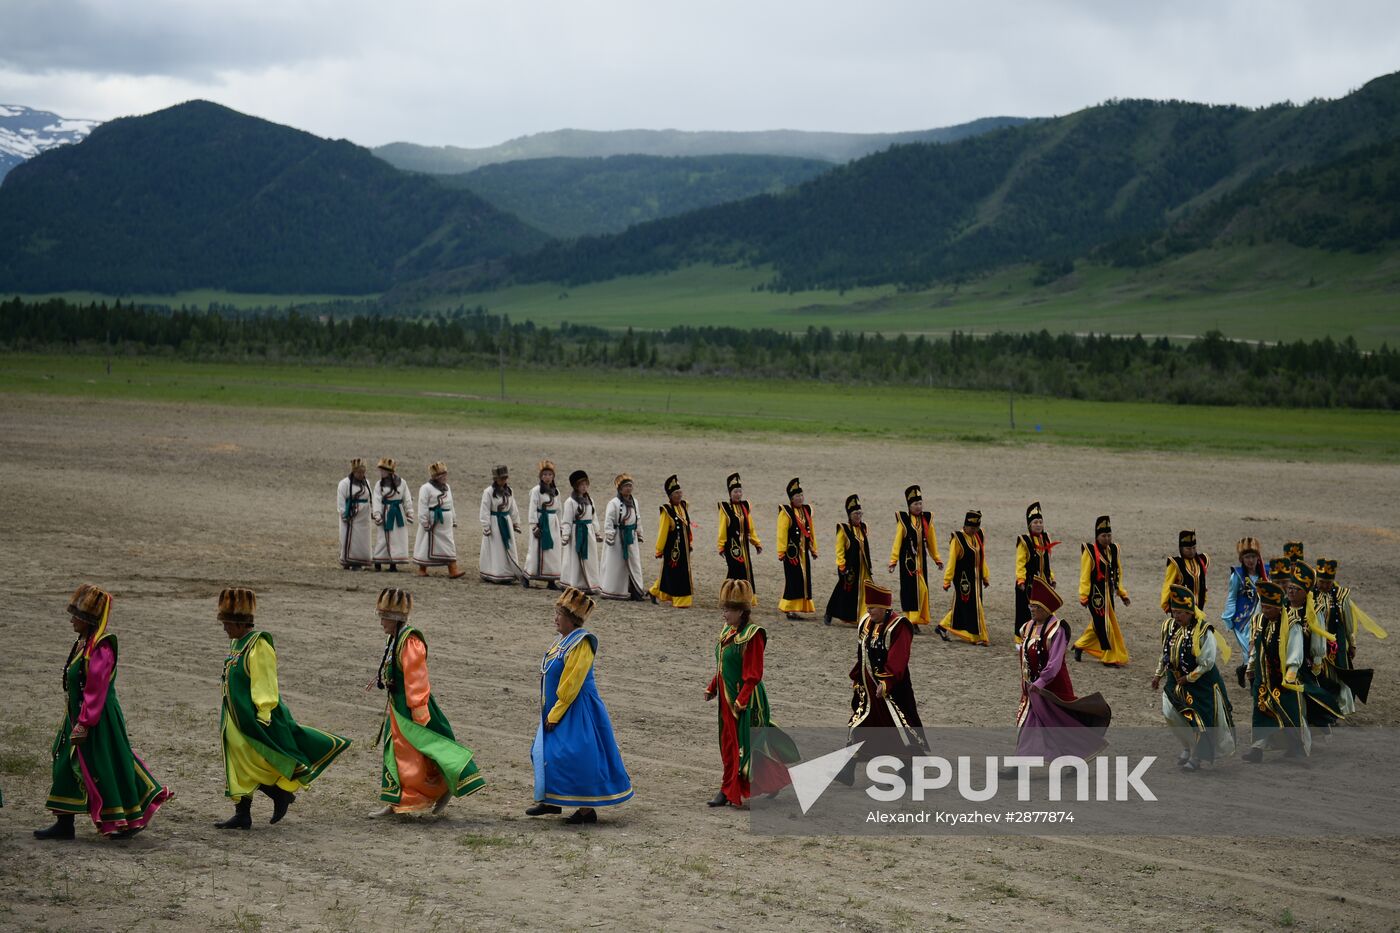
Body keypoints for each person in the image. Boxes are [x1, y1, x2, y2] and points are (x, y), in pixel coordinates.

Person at [35, 584, 173, 840]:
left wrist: (85, 723)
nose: (71, 620)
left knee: (108, 765)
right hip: (77, 716)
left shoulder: (101, 648)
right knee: (64, 760)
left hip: (98, 719)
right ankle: (64, 823)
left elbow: (96, 689)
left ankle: (127, 819)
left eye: (76, 615)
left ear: (87, 619)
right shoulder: (83, 643)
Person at [216, 587, 351, 829]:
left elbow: (265, 680)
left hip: (254, 717)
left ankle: (280, 793)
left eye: (226, 622)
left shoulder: (258, 644)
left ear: (237, 623)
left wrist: (264, 712)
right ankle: (243, 812)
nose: (223, 628)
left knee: (259, 759)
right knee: (238, 760)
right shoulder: (237, 643)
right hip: (235, 718)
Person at [370, 588, 485, 818]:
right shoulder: (394, 639)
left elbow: (417, 677)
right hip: (398, 707)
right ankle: (395, 800)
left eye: (384, 617)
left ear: (395, 618)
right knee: (396, 754)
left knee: (418, 753)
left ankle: (443, 787)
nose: (381, 621)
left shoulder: (410, 642)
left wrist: (418, 710)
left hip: (412, 708)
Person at [527, 587, 633, 825]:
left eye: (559, 615)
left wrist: (556, 712)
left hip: (578, 709)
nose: (555, 618)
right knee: (543, 751)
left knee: (578, 756)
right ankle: (551, 800)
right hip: (557, 707)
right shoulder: (561, 641)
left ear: (571, 619)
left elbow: (572, 682)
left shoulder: (582, 643)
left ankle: (587, 810)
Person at [704, 580, 797, 808]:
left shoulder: (753, 635)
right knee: (730, 744)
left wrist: (741, 700)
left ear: (741, 611)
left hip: (746, 701)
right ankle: (770, 781)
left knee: (743, 746)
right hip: (728, 699)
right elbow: (723, 665)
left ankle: (727, 790)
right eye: (723, 609)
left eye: (728, 610)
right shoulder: (728, 631)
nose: (724, 614)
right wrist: (713, 686)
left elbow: (753, 674)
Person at [1011, 577, 1111, 764]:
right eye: (1031, 605)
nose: (1032, 609)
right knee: (1029, 724)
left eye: (1036, 607)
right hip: (1032, 690)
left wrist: (1039, 684)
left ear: (1047, 609)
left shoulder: (1058, 630)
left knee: (1060, 727)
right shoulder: (1027, 627)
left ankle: (1075, 758)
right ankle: (1020, 763)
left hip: (1053, 689)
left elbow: (1055, 663)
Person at [836, 582, 927, 785]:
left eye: (873, 607)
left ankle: (906, 770)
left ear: (885, 607)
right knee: (860, 724)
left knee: (896, 730)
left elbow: (899, 657)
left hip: (892, 690)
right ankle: (848, 769)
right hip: (869, 690)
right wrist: (858, 679)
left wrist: (887, 681)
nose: (869, 611)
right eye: (868, 607)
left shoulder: (899, 626)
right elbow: (862, 655)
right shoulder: (865, 623)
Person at [1152, 585, 1236, 771]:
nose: (1176, 616)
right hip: (1175, 681)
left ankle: (1197, 757)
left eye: (1181, 612)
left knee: (1199, 721)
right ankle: (1187, 745)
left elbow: (1207, 662)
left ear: (1190, 612)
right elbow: (1165, 652)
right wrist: (1159, 674)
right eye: (1174, 612)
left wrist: (1189, 678)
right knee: (1171, 713)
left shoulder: (1204, 632)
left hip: (1201, 684)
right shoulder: (1169, 627)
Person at [1242, 581, 1310, 762]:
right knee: (1261, 712)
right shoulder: (1259, 621)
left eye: (1269, 608)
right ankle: (1257, 750)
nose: (1264, 611)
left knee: (1288, 714)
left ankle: (1296, 745)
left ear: (1278, 608)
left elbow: (1296, 651)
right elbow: (1257, 648)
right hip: (1263, 679)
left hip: (1285, 679)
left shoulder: (1292, 624)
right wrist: (1251, 666)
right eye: (1263, 607)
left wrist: (1290, 674)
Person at [1314, 557, 1385, 713]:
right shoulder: (1309, 595)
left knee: (1340, 674)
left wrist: (1351, 643)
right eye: (1321, 582)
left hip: (1337, 644)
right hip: (1317, 643)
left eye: (1328, 582)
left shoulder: (1341, 595)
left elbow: (1348, 622)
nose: (1325, 586)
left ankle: (1341, 706)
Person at [1285, 562, 1343, 733]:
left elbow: (1318, 639)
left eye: (1296, 589)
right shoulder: (1282, 606)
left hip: (1305, 664)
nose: (1291, 592)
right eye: (1290, 587)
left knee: (1309, 697)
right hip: (1280, 661)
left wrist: (1317, 661)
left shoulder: (1314, 611)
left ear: (1306, 593)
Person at [1073, 515, 1131, 665]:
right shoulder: (1090, 551)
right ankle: (1109, 657)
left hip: (1108, 592)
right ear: (1097, 536)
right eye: (1103, 536)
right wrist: (1083, 595)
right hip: (1095, 594)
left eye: (1109, 535)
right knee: (1105, 625)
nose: (1107, 538)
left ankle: (1080, 645)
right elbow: (1085, 575)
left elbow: (1118, 572)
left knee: (1099, 623)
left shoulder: (1114, 549)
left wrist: (1121, 592)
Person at [887, 484, 942, 631]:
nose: (918, 506)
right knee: (910, 589)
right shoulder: (904, 520)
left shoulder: (926, 519)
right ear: (909, 506)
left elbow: (932, 541)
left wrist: (937, 558)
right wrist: (893, 561)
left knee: (922, 588)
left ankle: (915, 619)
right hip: (907, 562)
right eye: (915, 504)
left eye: (920, 503)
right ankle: (912, 621)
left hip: (921, 560)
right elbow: (897, 541)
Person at [939, 510, 990, 645]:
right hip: (963, 580)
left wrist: (985, 576)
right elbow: (952, 561)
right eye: (972, 528)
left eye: (976, 528)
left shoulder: (978, 536)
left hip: (976, 579)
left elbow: (982, 558)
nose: (974, 531)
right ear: (965, 526)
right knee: (974, 606)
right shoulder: (958, 539)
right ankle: (977, 637)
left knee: (964, 605)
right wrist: (947, 580)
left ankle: (942, 627)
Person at [1222, 537, 1265, 683]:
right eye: (1247, 557)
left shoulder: (1266, 574)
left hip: (1262, 617)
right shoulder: (1237, 576)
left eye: (1253, 556)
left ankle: (1243, 669)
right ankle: (1254, 683)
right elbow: (1232, 597)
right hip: (1243, 620)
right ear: (1242, 559)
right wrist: (1228, 618)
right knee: (1249, 649)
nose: (1250, 560)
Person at [824, 494, 872, 626]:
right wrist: (841, 565)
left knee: (864, 590)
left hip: (863, 568)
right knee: (843, 589)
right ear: (850, 515)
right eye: (855, 513)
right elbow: (839, 549)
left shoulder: (863, 528)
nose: (858, 516)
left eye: (860, 513)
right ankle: (830, 611)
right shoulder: (844, 530)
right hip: (849, 568)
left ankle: (861, 616)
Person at [649, 474, 695, 608]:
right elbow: (662, 531)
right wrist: (659, 549)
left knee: (673, 572)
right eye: (676, 493)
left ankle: (654, 591)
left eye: (680, 492)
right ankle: (681, 600)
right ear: (670, 495)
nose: (679, 495)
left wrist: (689, 543)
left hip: (684, 547)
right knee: (674, 572)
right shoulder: (666, 511)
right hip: (673, 549)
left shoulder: (684, 506)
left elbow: (687, 527)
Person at [1013, 502, 1056, 643]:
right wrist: (1020, 579)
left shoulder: (1045, 539)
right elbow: (1020, 562)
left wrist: (1051, 577)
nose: (1038, 525)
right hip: (1027, 583)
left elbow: (1048, 562)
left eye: (1040, 522)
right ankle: (1020, 639)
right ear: (1030, 525)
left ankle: (1044, 636)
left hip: (1042, 583)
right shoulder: (1024, 541)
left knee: (1046, 610)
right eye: (1035, 522)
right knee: (1025, 612)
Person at [776, 477, 818, 619]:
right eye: (796, 496)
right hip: (791, 553)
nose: (800, 498)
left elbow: (810, 530)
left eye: (801, 495)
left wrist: (813, 548)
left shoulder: (806, 510)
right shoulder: (786, 512)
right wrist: (781, 551)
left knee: (803, 579)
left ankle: (799, 607)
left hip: (804, 553)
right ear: (791, 498)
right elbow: (781, 532)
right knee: (793, 579)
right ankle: (789, 609)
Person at [717, 472, 762, 605]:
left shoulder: (745, 506)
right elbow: (722, 528)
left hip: (744, 546)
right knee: (735, 570)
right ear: (730, 493)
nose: (738, 494)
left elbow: (751, 527)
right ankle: (728, 597)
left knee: (745, 570)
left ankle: (742, 598)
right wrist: (721, 545)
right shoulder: (725, 508)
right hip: (732, 546)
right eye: (735, 491)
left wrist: (756, 542)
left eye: (740, 491)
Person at [414, 461, 464, 578]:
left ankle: (453, 569)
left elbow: (450, 504)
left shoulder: (447, 487)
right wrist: (424, 521)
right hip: (432, 521)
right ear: (435, 476)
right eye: (442, 475)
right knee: (426, 543)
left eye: (445, 474)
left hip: (445, 522)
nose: (445, 477)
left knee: (449, 544)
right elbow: (422, 505)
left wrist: (454, 519)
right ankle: (422, 568)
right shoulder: (426, 488)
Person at [480, 464, 528, 586]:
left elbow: (513, 507)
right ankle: (495, 572)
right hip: (495, 523)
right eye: (501, 478)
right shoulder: (488, 492)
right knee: (496, 548)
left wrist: (515, 522)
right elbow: (484, 510)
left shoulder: (509, 491)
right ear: (495, 479)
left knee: (509, 547)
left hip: (506, 522)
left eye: (505, 478)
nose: (504, 480)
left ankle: (509, 572)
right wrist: (486, 526)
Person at [601, 474, 646, 600]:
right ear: (620, 488)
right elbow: (609, 520)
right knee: (617, 565)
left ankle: (635, 589)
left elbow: (637, 518)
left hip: (631, 538)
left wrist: (639, 532)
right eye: (626, 486)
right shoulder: (613, 503)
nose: (628, 488)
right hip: (617, 539)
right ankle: (615, 590)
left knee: (634, 563)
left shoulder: (634, 502)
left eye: (630, 486)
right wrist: (610, 535)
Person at [560, 470, 604, 595]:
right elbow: (567, 520)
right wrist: (565, 535)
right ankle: (576, 584)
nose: (584, 487)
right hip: (576, 533)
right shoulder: (570, 502)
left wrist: (597, 532)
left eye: (586, 484)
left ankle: (590, 583)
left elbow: (593, 517)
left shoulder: (590, 500)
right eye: (581, 485)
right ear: (576, 486)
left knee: (590, 558)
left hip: (588, 532)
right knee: (575, 558)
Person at [371, 457, 414, 572]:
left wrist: (409, 511)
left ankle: (393, 563)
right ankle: (378, 561)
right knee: (382, 538)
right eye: (381, 470)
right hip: (385, 513)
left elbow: (407, 498)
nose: (381, 472)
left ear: (389, 472)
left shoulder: (402, 483)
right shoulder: (379, 485)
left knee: (397, 538)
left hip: (398, 513)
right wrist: (377, 514)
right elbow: (376, 500)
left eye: (383, 470)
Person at [527, 460, 564, 589]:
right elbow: (532, 508)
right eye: (545, 475)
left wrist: (560, 526)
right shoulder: (536, 491)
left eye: (550, 474)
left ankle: (551, 579)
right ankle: (528, 575)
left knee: (552, 551)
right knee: (536, 550)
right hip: (541, 523)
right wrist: (534, 525)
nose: (547, 477)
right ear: (540, 476)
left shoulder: (556, 491)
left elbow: (559, 510)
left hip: (553, 523)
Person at [1160, 530, 1208, 614]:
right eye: (1188, 549)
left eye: (1194, 548)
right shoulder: (1176, 564)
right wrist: (1165, 604)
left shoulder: (1201, 561)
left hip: (1199, 607)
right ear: (1181, 549)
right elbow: (1168, 585)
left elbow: (1202, 582)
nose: (1192, 551)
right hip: (1181, 610)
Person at [337, 458, 372, 570]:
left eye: (363, 472)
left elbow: (369, 498)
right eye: (359, 472)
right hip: (351, 515)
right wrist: (343, 513)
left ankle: (360, 560)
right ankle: (349, 561)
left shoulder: (367, 483)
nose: (361, 475)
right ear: (354, 471)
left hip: (364, 516)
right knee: (349, 538)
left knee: (363, 540)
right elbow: (341, 501)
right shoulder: (344, 484)